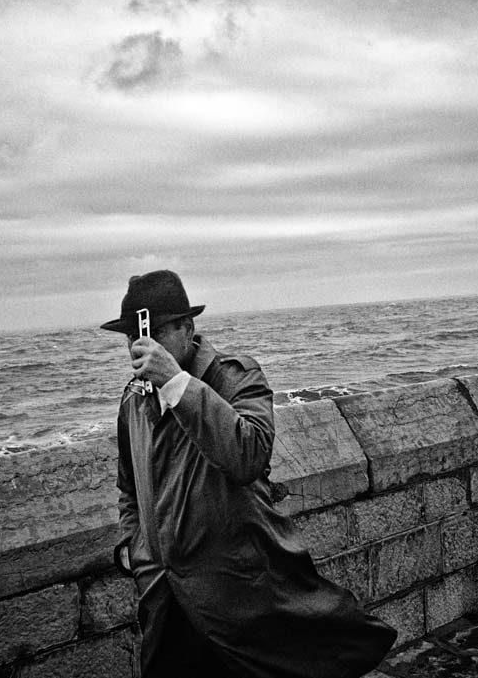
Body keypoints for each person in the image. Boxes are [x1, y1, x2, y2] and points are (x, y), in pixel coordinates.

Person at [101, 270, 397, 678]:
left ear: (187, 328)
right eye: (132, 336)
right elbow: (129, 486)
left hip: (237, 595)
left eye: (153, 332)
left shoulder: (236, 377)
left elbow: (248, 456)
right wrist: (133, 549)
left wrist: (176, 383)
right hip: (165, 597)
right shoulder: (133, 401)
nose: (141, 345)